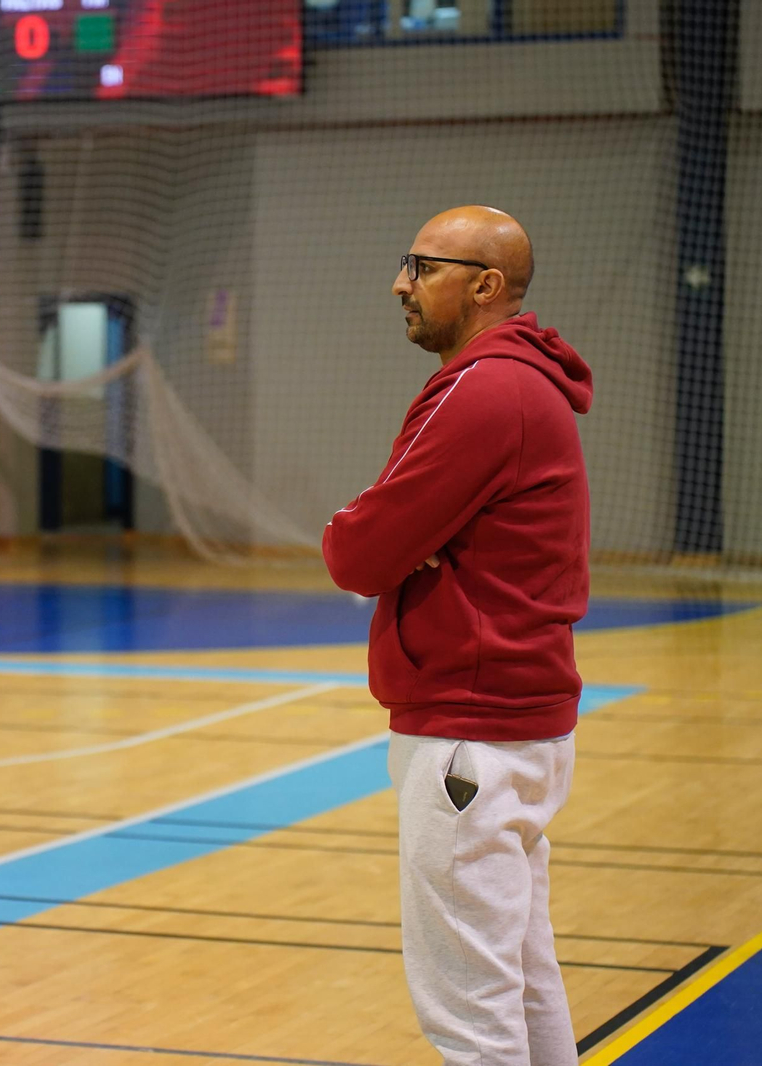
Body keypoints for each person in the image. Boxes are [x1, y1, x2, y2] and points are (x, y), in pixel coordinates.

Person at [322, 206, 594, 1066]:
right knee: (522, 979)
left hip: (469, 735)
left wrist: (377, 534)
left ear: (486, 286)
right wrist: (405, 538)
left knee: (471, 1017)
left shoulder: (483, 390)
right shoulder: (518, 382)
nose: (400, 284)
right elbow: (392, 540)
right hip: (515, 727)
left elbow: (358, 552)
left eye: (423, 267)